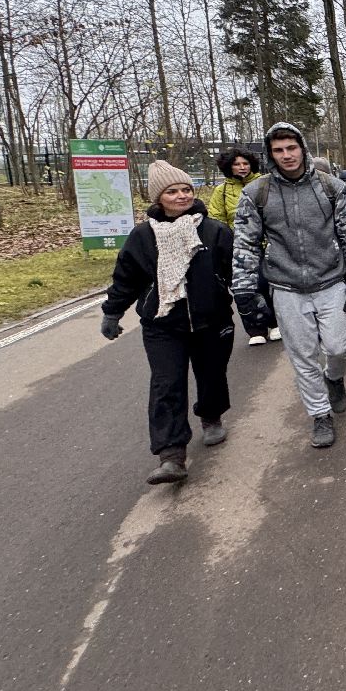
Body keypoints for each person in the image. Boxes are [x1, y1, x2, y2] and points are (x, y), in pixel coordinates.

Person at [232, 122, 346, 448]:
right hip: (286, 286)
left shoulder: (331, 187)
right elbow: (245, 244)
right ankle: (320, 415)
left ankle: (334, 378)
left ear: (302, 149)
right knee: (303, 356)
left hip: (330, 281)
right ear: (270, 155)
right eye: (278, 150)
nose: (286, 155)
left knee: (338, 346)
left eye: (291, 148)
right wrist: (244, 290)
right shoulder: (257, 193)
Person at [101, 160, 235, 485]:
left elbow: (236, 272)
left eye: (186, 189)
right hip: (162, 324)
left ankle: (211, 415)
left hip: (211, 320)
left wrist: (250, 303)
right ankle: (172, 454)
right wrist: (112, 312)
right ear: (158, 198)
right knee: (166, 384)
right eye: (172, 191)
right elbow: (126, 278)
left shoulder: (214, 230)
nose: (181, 195)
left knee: (212, 374)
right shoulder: (142, 236)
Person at [209, 146, 280, 346]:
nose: (242, 167)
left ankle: (275, 322)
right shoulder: (221, 191)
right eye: (237, 164)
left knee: (267, 284)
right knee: (243, 288)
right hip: (237, 248)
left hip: (265, 245)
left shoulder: (264, 184)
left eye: (245, 163)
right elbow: (217, 219)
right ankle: (255, 329)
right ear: (228, 167)